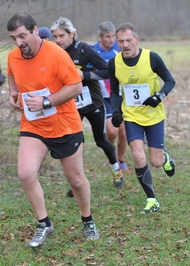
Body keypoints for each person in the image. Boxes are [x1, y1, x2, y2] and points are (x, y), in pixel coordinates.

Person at [6, 12, 100, 247]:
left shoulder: (56, 54)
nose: (19, 43)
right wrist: (13, 95)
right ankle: (44, 222)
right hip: (33, 125)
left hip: (64, 124)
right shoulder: (13, 57)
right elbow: (12, 78)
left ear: (36, 31)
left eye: (22, 36)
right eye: (13, 38)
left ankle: (87, 219)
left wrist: (47, 101)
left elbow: (76, 86)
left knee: (76, 180)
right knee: (25, 174)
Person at [50, 17, 124, 193]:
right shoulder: (54, 52)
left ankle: (116, 169)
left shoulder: (85, 50)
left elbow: (107, 72)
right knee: (74, 142)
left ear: (72, 34)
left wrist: (85, 75)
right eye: (55, 36)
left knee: (100, 140)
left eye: (61, 35)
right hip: (71, 105)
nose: (58, 40)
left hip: (92, 102)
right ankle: (77, 181)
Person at [109, 23, 176, 214]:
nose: (125, 45)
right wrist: (116, 111)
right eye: (120, 41)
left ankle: (166, 157)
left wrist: (158, 97)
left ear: (137, 40)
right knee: (138, 154)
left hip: (154, 116)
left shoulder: (151, 57)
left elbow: (170, 81)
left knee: (155, 161)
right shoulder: (114, 63)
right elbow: (114, 91)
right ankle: (151, 199)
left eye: (128, 40)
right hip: (132, 116)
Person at [92, 21, 130, 172]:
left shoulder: (119, 48)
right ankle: (111, 154)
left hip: (120, 95)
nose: (111, 40)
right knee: (112, 132)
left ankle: (120, 160)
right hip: (103, 97)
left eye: (113, 36)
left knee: (123, 132)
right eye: (108, 37)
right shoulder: (92, 51)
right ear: (100, 37)